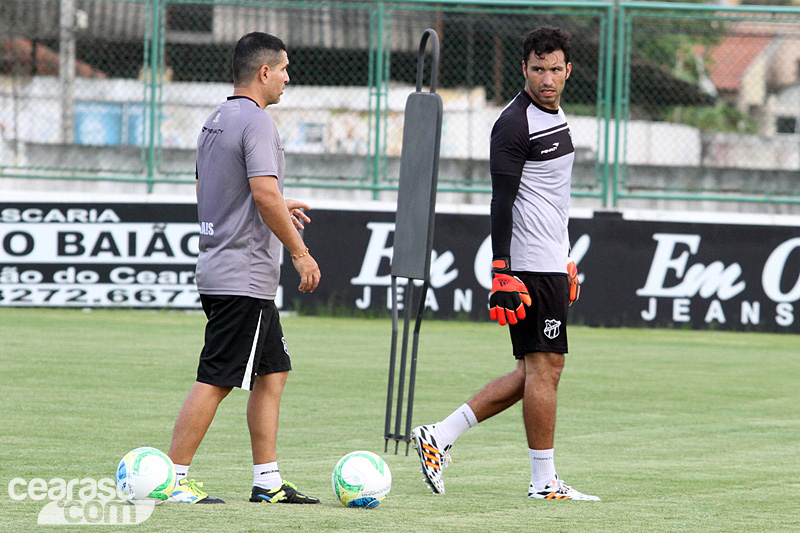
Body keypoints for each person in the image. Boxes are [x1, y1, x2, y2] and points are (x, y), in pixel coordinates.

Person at [411, 26, 598, 501]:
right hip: (528, 264)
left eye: (556, 69)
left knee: (536, 370)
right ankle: (543, 482)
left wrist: (568, 257)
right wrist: (502, 271)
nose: (548, 79)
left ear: (568, 69)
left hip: (551, 260)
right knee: (545, 367)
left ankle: (440, 435)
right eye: (538, 70)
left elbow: (554, 200)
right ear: (524, 69)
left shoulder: (556, 114)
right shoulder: (514, 123)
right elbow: (501, 202)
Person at [166, 32, 322, 505]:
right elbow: (262, 193)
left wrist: (268, 203)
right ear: (263, 73)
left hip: (219, 266)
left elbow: (210, 190)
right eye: (284, 69)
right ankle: (171, 479)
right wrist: (299, 252)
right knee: (217, 378)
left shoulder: (215, 119)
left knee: (272, 373)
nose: (287, 78)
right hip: (244, 275)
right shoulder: (257, 122)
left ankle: (267, 482)